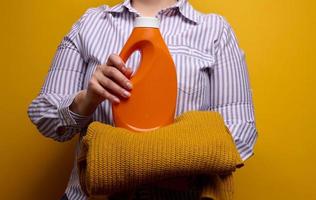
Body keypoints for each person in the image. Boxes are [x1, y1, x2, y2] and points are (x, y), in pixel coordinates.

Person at [28, 0, 258, 199]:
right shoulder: (90, 23)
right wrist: (87, 99)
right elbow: (44, 117)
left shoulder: (215, 30)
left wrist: (122, 162)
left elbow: (240, 133)